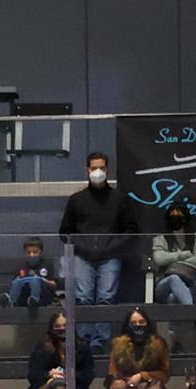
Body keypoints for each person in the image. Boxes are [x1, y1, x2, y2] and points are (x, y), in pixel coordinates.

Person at [58, 151, 137, 352]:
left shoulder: (119, 199)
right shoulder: (77, 200)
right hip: (83, 257)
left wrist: (111, 248)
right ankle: (83, 341)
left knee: (105, 298)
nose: (98, 172)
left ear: (107, 170)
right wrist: (83, 248)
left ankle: (100, 342)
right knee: (83, 297)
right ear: (87, 170)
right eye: (94, 168)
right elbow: (65, 232)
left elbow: (131, 230)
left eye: (101, 168)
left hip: (110, 257)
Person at [151, 203, 196, 305]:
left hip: (193, 285)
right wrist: (182, 255)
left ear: (185, 218)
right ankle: (192, 312)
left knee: (173, 297)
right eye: (172, 216)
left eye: (179, 215)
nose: (175, 218)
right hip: (164, 286)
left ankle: (186, 309)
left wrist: (171, 262)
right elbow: (159, 259)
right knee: (174, 278)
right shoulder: (160, 239)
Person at [108, 306, 170, 386]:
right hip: (126, 388)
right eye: (133, 323)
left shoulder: (158, 345)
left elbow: (165, 375)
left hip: (151, 388)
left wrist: (142, 376)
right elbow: (113, 375)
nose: (138, 325)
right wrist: (127, 382)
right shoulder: (118, 347)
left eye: (141, 322)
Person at [4, 237, 59, 307]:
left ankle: (34, 300)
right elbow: (14, 283)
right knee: (17, 282)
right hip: (24, 296)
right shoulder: (20, 266)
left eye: (35, 252)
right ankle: (11, 301)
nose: (31, 255)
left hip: (43, 296)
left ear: (40, 251)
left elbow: (54, 285)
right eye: (28, 252)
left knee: (34, 280)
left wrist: (43, 280)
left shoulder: (47, 264)